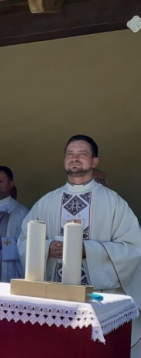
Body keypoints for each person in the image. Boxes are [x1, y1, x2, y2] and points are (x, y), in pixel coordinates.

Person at [17, 134, 141, 354]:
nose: (74, 158)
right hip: (55, 299)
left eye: (82, 154)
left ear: (94, 162)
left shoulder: (114, 203)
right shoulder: (47, 201)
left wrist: (87, 251)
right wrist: (46, 249)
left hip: (98, 301)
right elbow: (24, 239)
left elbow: (133, 249)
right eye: (69, 154)